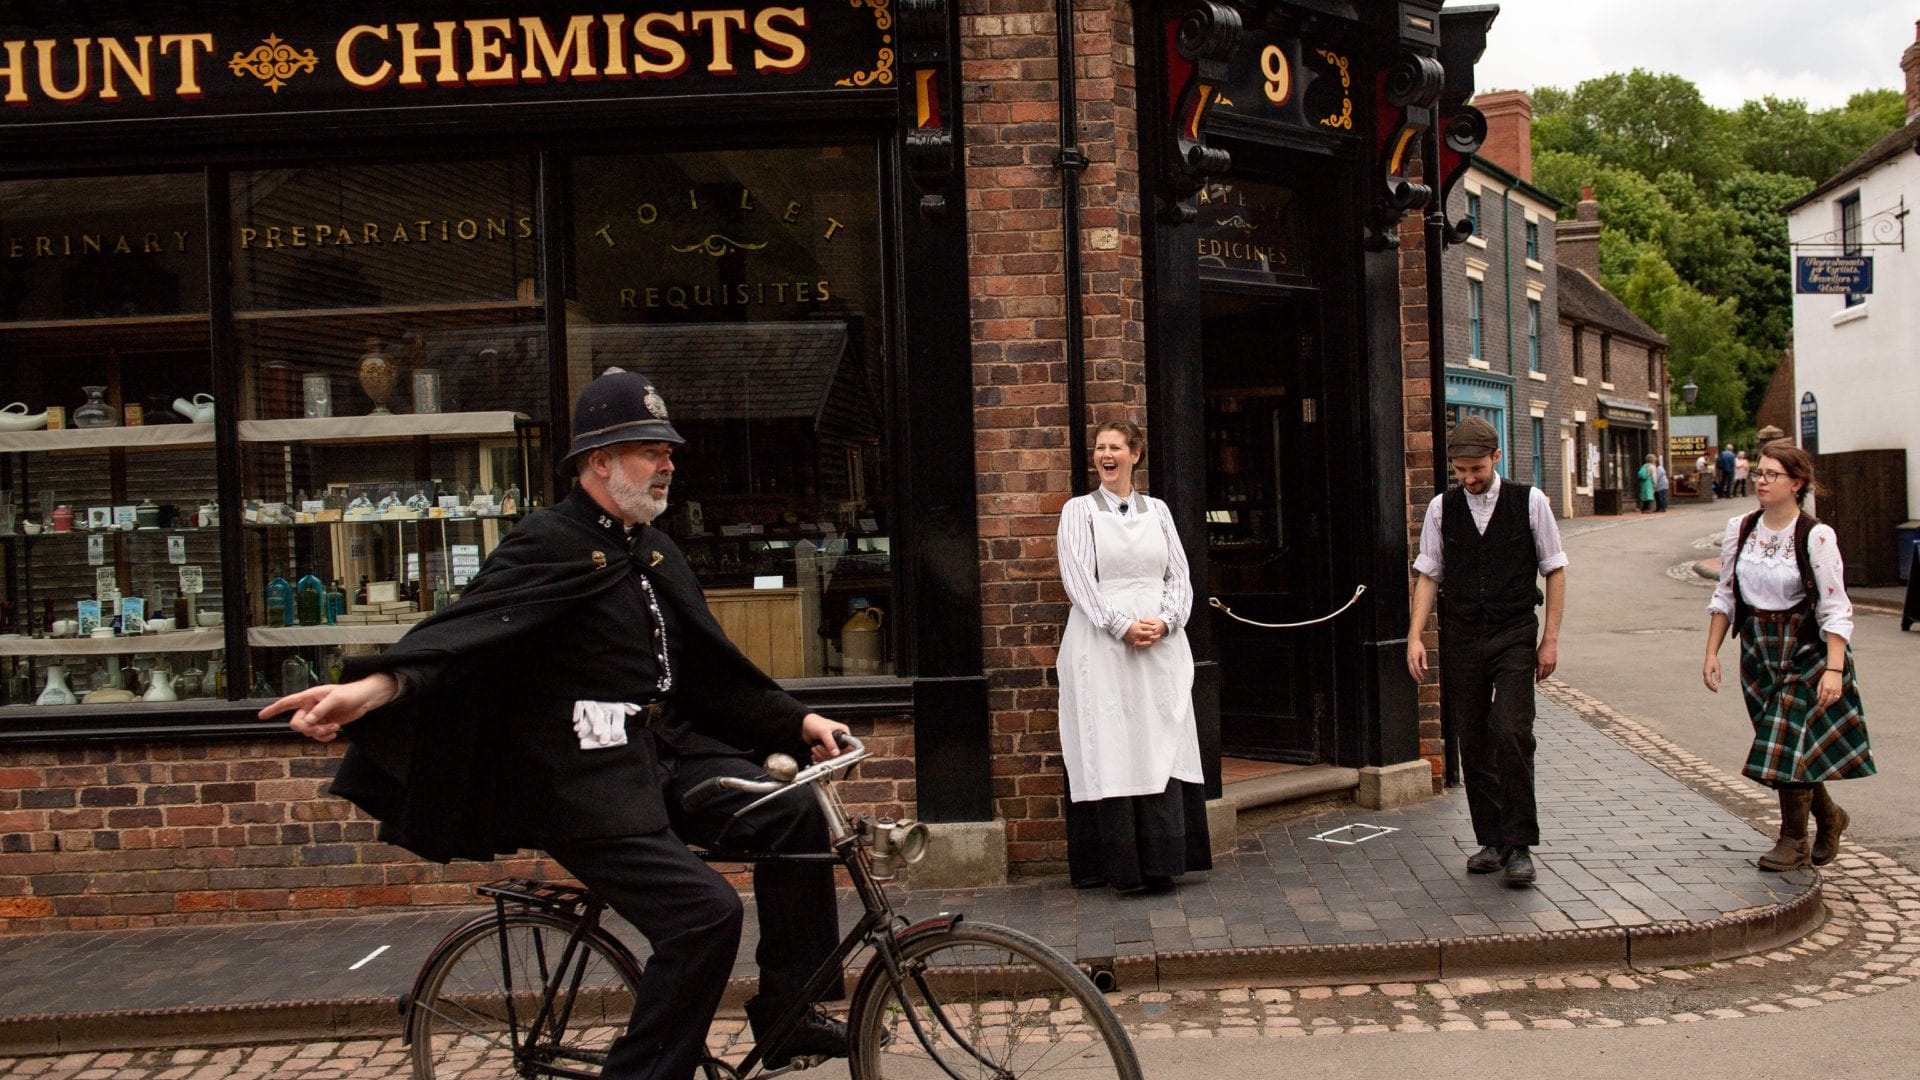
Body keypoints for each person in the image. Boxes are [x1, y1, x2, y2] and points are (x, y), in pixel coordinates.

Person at [264, 369, 852, 1080]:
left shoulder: (653, 550)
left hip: (661, 754)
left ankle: (791, 1015)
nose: (668, 464)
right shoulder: (550, 541)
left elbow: (710, 678)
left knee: (791, 815)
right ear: (598, 461)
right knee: (704, 915)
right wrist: (372, 688)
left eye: (668, 451)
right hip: (582, 782)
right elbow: (465, 634)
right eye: (648, 451)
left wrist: (799, 721)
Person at [1406, 416, 1567, 887]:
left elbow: (1554, 570)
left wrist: (1550, 639)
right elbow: (1429, 573)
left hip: (1514, 630)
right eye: (1460, 471)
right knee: (1472, 736)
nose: (1469, 479)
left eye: (1476, 468)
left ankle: (1519, 845)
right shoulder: (1441, 508)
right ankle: (1492, 840)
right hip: (1461, 635)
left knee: (1511, 730)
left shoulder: (1530, 502)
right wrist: (1416, 635)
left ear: (1496, 457)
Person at [1055, 420, 1210, 895]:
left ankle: (1163, 859)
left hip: (1159, 645)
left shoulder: (1159, 511)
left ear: (1134, 454)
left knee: (1159, 733)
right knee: (1113, 738)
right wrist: (1119, 624)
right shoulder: (1078, 512)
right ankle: (1118, 864)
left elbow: (1178, 575)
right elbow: (1077, 576)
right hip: (1102, 646)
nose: (1107, 455)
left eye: (1116, 447)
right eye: (1100, 447)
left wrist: (1167, 620)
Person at [1702, 444, 1873, 871]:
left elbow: (1836, 606)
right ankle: (1830, 816)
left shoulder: (1815, 535)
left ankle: (1792, 839)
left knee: (1782, 746)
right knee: (1784, 749)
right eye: (1758, 473)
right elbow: (1725, 595)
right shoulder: (1739, 528)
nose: (1760, 480)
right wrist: (1712, 652)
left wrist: (1835, 668)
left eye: (1771, 474)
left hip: (1805, 648)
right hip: (1757, 647)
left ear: (1796, 483)